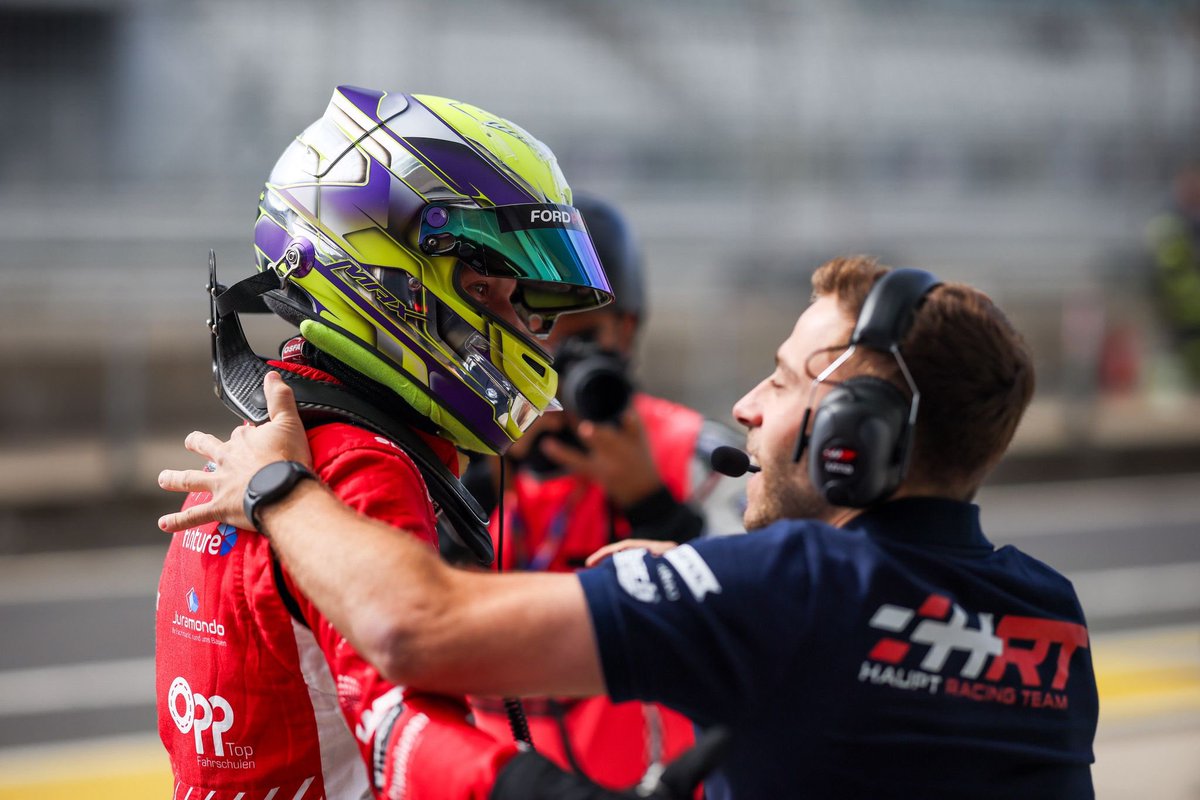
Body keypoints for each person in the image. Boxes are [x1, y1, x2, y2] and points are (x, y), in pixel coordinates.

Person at [160, 255, 1099, 798]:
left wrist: (280, 487)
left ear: (854, 434)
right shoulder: (1051, 619)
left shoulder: (785, 589)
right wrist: (711, 582)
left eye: (779, 380)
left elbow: (412, 626)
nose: (745, 405)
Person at [155, 84, 710, 800]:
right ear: (397, 277)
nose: (521, 328)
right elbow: (403, 729)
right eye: (494, 293)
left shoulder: (265, 438)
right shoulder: (356, 467)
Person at [463, 193, 744, 788]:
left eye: (583, 338)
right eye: (538, 332)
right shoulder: (455, 454)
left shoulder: (702, 458)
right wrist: (484, 475)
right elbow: (396, 601)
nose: (556, 359)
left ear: (628, 329)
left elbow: (753, 621)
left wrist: (655, 506)